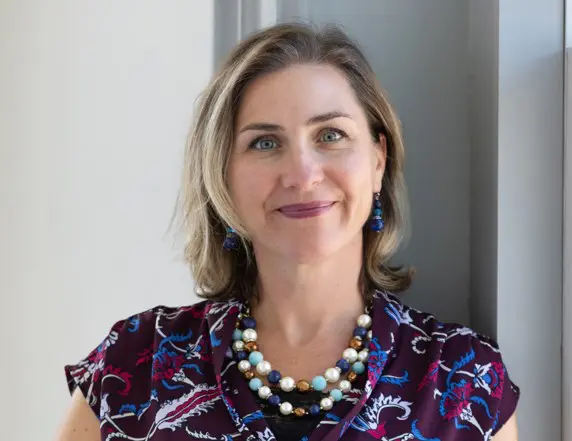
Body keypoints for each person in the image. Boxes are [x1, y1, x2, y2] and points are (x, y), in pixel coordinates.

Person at [56, 23, 519, 441]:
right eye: (265, 142)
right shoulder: (134, 364)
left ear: (378, 160)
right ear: (222, 175)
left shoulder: (463, 379)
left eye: (330, 135)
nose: (302, 173)